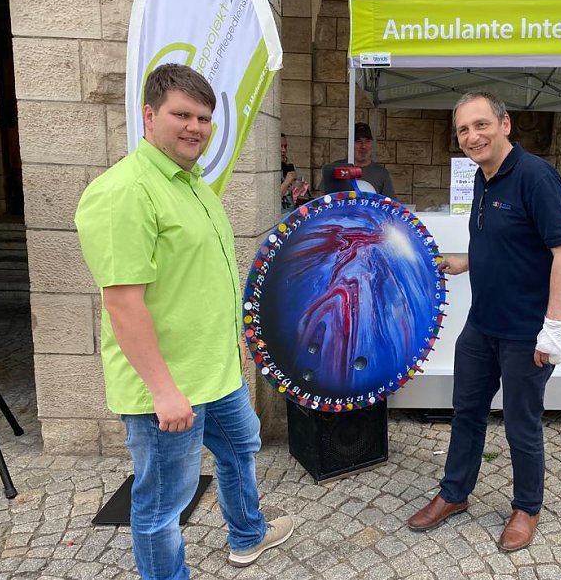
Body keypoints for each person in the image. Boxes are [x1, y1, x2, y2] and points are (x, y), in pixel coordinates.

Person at [75, 63, 293, 580]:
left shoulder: (193, 183)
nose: (195, 126)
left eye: (204, 117)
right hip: (168, 388)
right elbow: (123, 304)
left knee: (241, 447)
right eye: (182, 114)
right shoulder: (124, 192)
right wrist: (163, 391)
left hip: (215, 373)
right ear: (149, 115)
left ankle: (247, 534)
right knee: (162, 503)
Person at [407, 92, 561, 552]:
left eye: (481, 125)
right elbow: (508, 244)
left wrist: (553, 327)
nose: (472, 136)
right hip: (482, 325)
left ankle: (527, 508)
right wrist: (464, 263)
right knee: (466, 412)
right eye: (463, 129)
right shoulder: (482, 178)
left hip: (527, 330)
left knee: (522, 424)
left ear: (505, 124)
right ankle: (454, 494)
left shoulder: (536, 177)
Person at [321, 121, 396, 196]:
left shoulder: (381, 173)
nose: (363, 146)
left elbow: (391, 204)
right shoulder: (336, 169)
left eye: (367, 141)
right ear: (349, 144)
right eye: (358, 141)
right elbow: (321, 200)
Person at [280, 132, 310, 210]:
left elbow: (304, 197)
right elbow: (269, 200)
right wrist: (286, 182)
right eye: (280, 146)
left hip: (292, 214)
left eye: (285, 146)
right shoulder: (265, 172)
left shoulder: (290, 168)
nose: (283, 150)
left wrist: (302, 189)